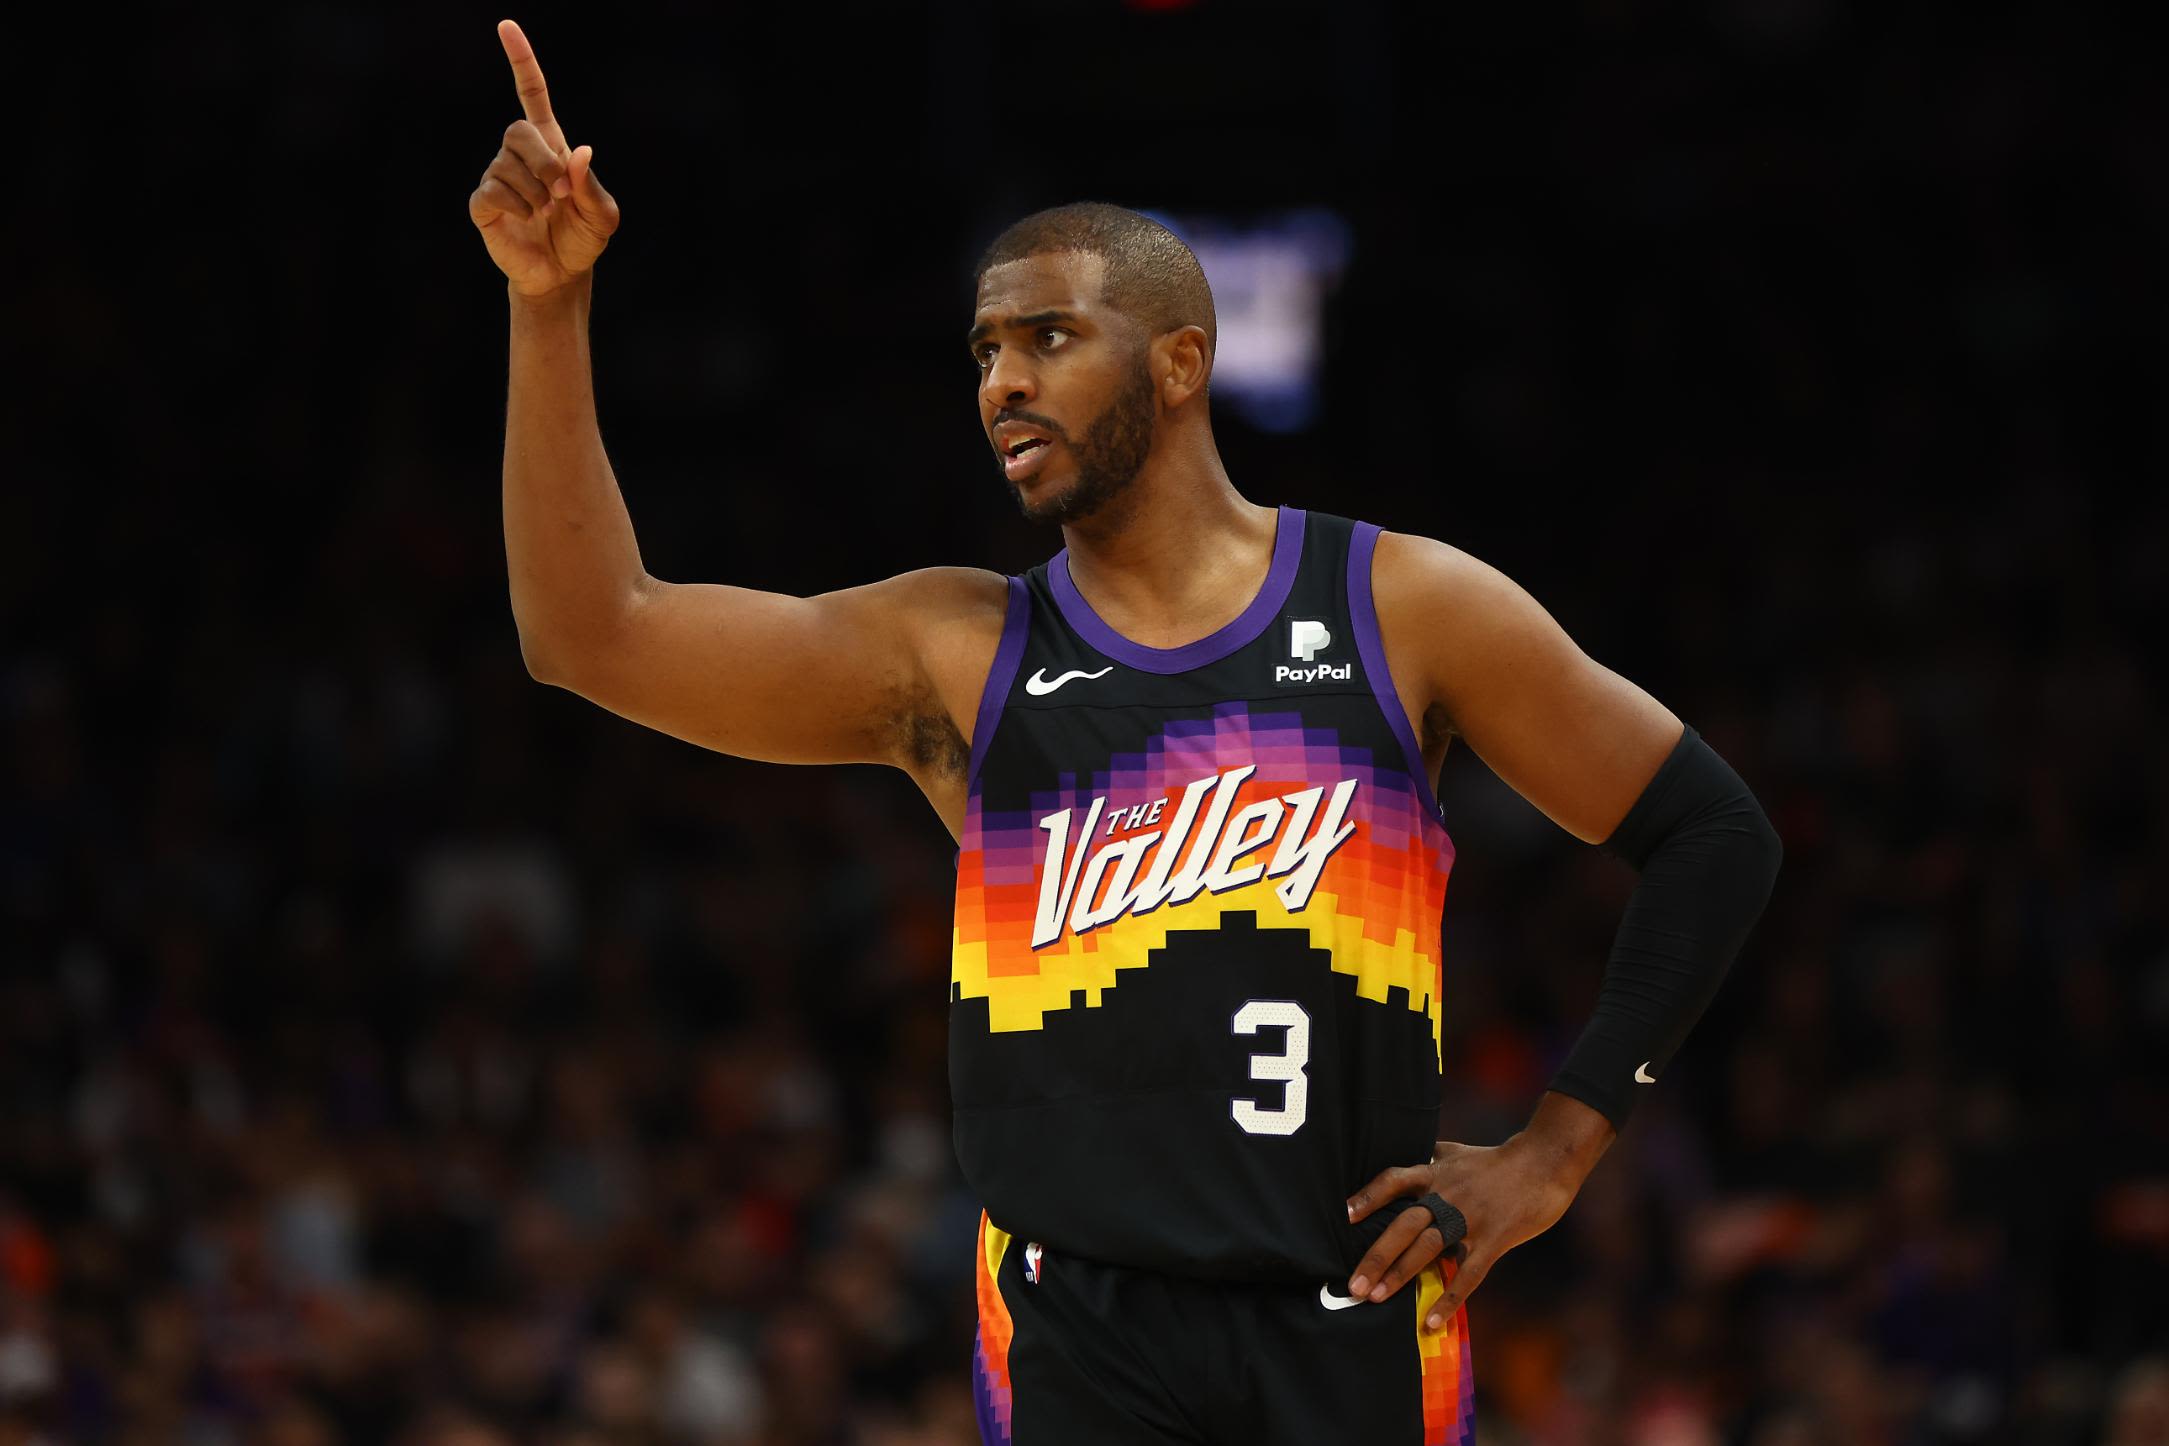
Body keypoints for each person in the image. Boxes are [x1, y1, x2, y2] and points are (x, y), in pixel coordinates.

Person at [469, 20, 1783, 1445]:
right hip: (1074, 1330)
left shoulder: (1401, 606)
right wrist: (549, 308)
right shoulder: (954, 651)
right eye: (983, 349)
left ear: (1177, 363)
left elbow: (1711, 833)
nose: (1002, 381)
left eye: (1047, 336)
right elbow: (588, 632)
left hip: (1346, 1315)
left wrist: (1557, 1147)